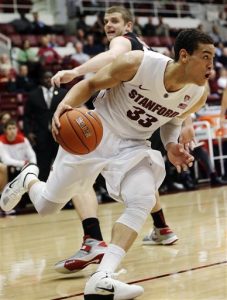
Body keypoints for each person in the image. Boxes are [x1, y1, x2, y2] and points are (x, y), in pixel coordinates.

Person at [0, 29, 215, 299]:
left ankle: (102, 277)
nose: (211, 65)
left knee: (143, 198)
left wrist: (171, 146)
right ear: (184, 56)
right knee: (46, 206)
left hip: (133, 146)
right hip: (95, 132)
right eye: (205, 56)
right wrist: (64, 105)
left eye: (214, 57)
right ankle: (29, 179)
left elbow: (172, 120)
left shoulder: (198, 94)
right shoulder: (139, 63)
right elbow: (90, 85)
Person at [51, 6, 178, 274]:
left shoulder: (124, 43)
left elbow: (113, 54)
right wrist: (182, 123)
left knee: (79, 172)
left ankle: (93, 239)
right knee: (140, 180)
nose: (109, 24)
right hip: (140, 121)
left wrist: (74, 72)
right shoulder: (147, 51)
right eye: (106, 21)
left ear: (128, 26)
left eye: (115, 20)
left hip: (119, 123)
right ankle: (162, 226)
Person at [23, 71, 68, 181]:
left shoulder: (63, 93)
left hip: (59, 134)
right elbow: (27, 116)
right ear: (41, 80)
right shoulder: (33, 95)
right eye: (45, 77)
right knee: (43, 166)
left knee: (61, 165)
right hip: (41, 136)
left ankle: (65, 197)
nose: (48, 79)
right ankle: (42, 193)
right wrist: (28, 132)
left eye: (50, 77)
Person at [0, 119, 36, 215]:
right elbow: (6, 160)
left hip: (23, 169)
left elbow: (32, 156)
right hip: (10, 170)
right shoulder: (1, 142)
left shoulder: (23, 140)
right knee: (4, 167)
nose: (12, 131)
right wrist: (24, 163)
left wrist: (32, 165)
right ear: (5, 130)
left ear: (17, 129)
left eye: (14, 128)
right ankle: (6, 205)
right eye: (9, 128)